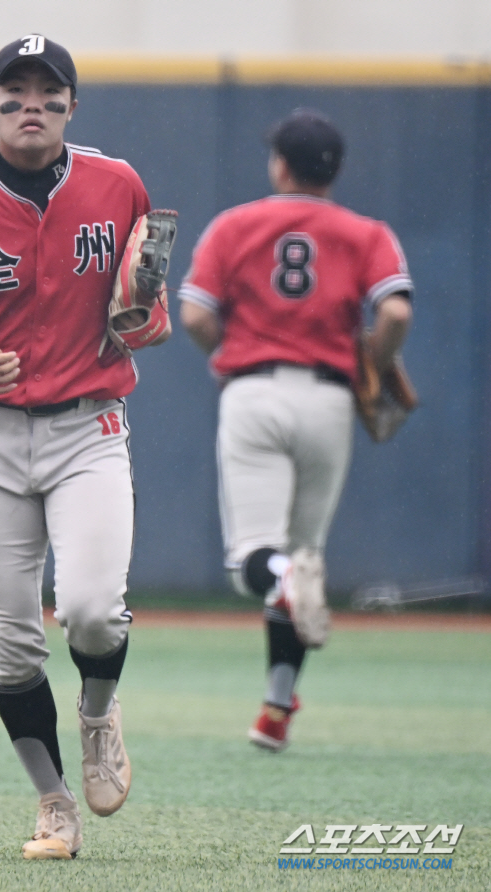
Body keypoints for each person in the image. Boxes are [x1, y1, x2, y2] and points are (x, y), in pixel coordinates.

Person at [0, 34, 171, 860]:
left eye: (49, 92)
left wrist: (143, 324)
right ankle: (53, 804)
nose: (31, 106)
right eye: (14, 92)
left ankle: (96, 716)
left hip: (89, 424)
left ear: (71, 106)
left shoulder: (117, 184)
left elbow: (146, 305)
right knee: (12, 644)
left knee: (89, 607)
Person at [179, 108, 412, 752]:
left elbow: (195, 313)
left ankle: (281, 582)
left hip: (253, 390)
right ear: (333, 170)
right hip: (330, 400)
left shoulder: (236, 225)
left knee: (255, 562)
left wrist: (232, 350)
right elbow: (393, 309)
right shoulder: (367, 234)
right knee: (303, 558)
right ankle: (276, 711)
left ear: (280, 164)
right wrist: (376, 360)